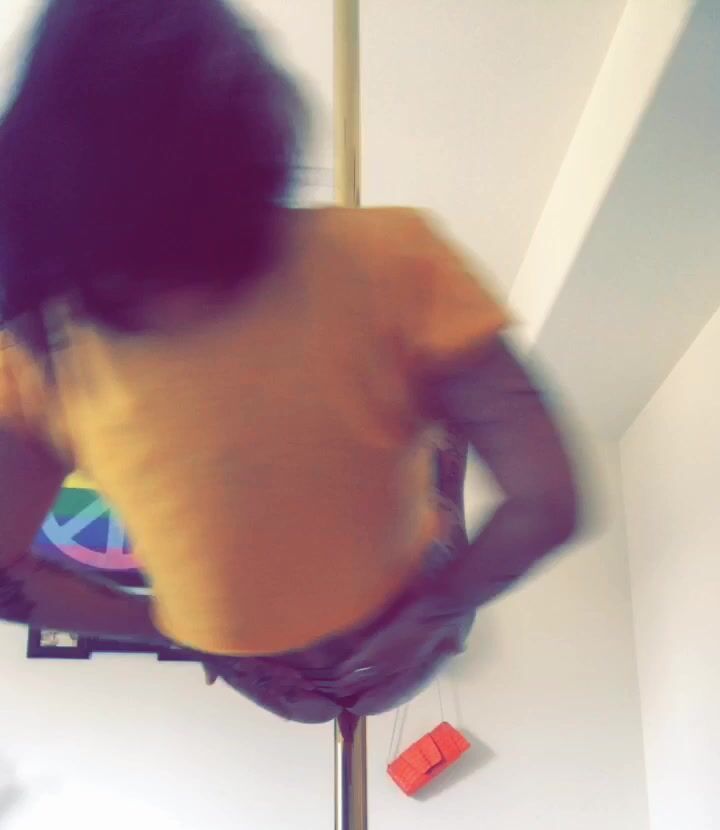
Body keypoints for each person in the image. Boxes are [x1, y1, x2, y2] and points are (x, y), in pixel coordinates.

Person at [0, 0, 579, 724]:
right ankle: (432, 451)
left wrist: (174, 630)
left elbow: (548, 503)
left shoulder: (44, 348)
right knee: (414, 411)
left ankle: (433, 457)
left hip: (327, 630)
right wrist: (436, 610)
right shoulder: (388, 259)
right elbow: (548, 501)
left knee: (416, 425)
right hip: (363, 623)